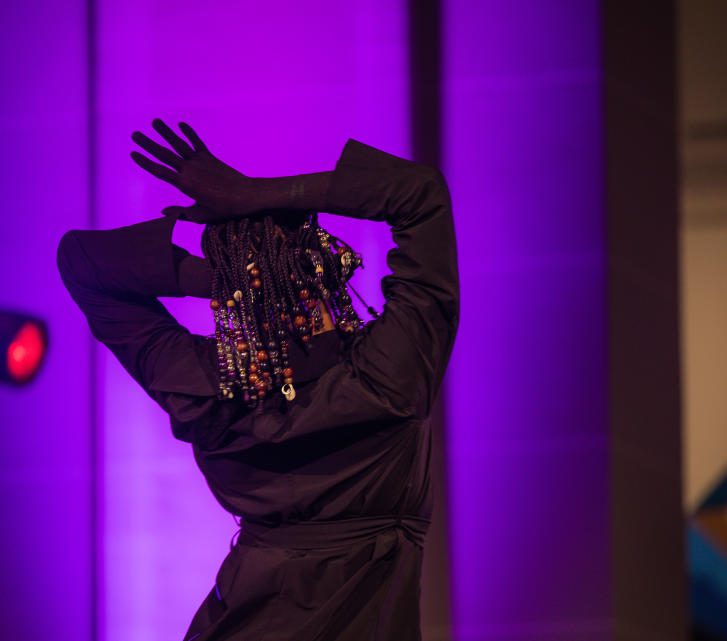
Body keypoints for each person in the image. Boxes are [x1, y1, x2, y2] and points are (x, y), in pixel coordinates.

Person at [56, 118, 459, 641]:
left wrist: (233, 281)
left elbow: (82, 264)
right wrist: (249, 194)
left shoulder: (208, 390)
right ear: (320, 267)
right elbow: (421, 196)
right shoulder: (390, 375)